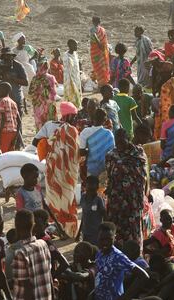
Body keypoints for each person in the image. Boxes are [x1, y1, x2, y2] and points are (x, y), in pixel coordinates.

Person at [34, 101, 80, 238]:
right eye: (74, 116)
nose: (75, 118)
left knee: (54, 199)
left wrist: (50, 144)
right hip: (67, 173)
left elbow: (35, 142)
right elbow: (77, 152)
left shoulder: (49, 125)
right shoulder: (72, 130)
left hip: (53, 170)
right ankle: (68, 230)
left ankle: (55, 229)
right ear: (68, 115)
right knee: (67, 199)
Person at [105, 129, 148, 247]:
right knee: (118, 228)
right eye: (117, 142)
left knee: (133, 228)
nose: (119, 145)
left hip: (134, 198)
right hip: (117, 198)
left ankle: (134, 254)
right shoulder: (111, 155)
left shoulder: (139, 153)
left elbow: (144, 175)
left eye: (122, 141)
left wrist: (146, 194)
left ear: (128, 139)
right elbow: (110, 176)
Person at [79, 108, 115, 188]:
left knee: (91, 190)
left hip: (91, 168)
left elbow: (81, 152)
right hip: (105, 169)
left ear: (93, 118)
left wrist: (89, 151)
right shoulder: (109, 134)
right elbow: (112, 152)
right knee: (103, 191)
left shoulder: (85, 132)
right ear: (105, 120)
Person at [28, 62, 57, 130]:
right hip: (49, 104)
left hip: (38, 104)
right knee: (50, 121)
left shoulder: (35, 78)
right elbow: (54, 92)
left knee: (39, 121)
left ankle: (40, 136)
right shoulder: (51, 77)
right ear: (47, 68)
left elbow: (30, 92)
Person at [0, 82, 20, 155]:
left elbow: (3, 119)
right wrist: (16, 136)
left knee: (1, 155)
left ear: (4, 90)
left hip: (4, 132)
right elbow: (19, 121)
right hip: (14, 131)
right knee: (10, 155)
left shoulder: (1, 101)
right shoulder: (13, 102)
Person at [90, 17, 111, 86]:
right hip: (98, 50)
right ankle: (102, 83)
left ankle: (102, 84)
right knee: (99, 67)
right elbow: (95, 37)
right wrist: (101, 46)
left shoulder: (100, 29)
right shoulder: (97, 29)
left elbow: (97, 38)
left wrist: (101, 46)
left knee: (100, 67)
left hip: (100, 50)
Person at [62, 39, 82, 105]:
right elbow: (67, 71)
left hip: (77, 78)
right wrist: (71, 82)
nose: (76, 46)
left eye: (76, 45)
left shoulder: (75, 54)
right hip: (70, 80)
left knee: (77, 95)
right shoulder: (66, 56)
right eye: (75, 45)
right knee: (71, 96)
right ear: (70, 45)